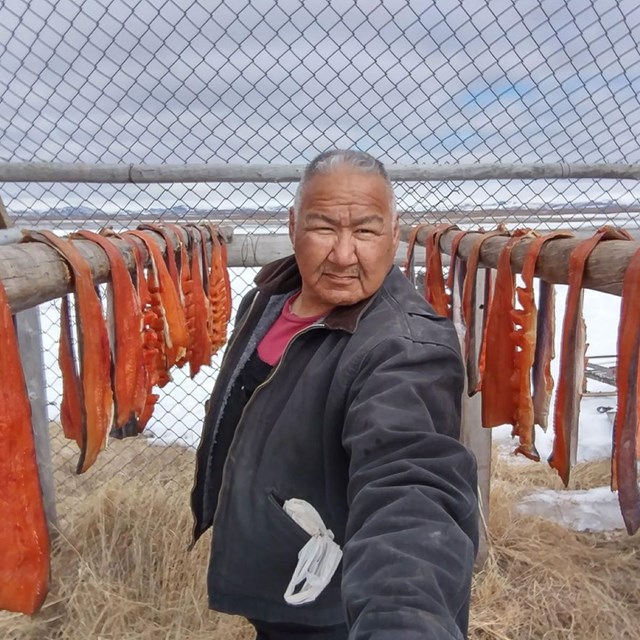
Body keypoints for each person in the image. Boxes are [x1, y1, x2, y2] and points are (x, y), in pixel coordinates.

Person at [190, 149, 479, 640]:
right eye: (324, 228)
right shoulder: (268, 298)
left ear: (393, 233)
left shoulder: (406, 347)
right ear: (292, 225)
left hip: (333, 601)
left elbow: (410, 482)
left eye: (365, 231)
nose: (344, 255)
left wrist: (403, 617)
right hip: (279, 575)